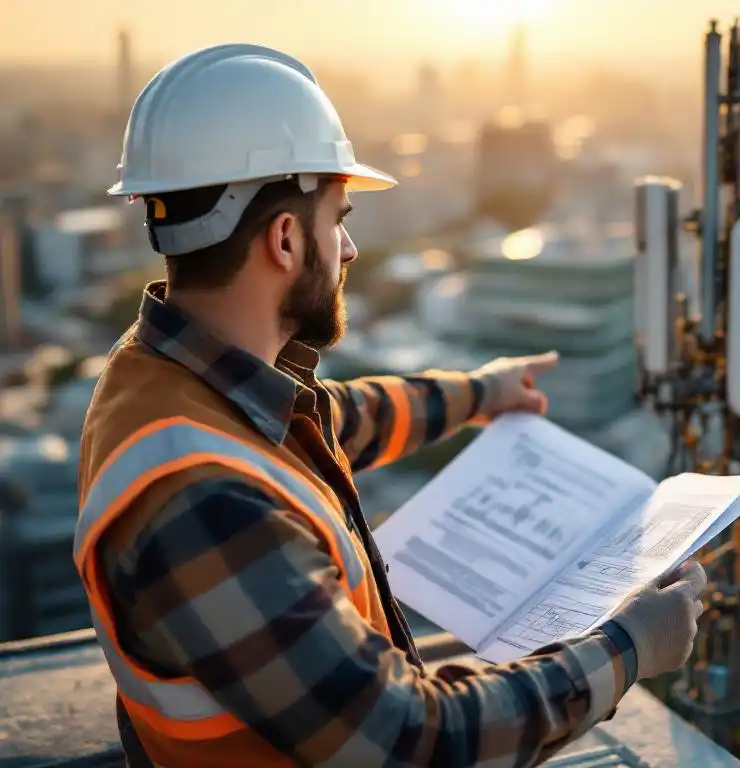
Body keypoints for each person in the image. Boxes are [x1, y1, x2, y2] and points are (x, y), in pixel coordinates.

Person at [73, 44, 707, 768]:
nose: (347, 248)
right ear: (284, 239)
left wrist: (480, 394)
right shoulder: (206, 507)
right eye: (337, 218)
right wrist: (629, 647)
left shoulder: (160, 375)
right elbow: (413, 743)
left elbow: (338, 417)